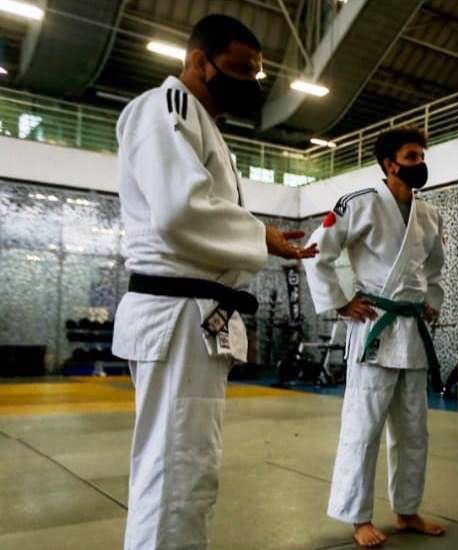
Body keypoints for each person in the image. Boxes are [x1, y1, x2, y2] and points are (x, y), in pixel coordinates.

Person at [111, 14, 316, 550]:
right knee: (175, 472)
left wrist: (259, 237)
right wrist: (260, 236)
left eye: (256, 73)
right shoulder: (166, 108)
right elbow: (179, 212)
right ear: (200, 62)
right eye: (240, 70)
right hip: (177, 314)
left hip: (192, 315)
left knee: (187, 467)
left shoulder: (202, 125)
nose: (251, 82)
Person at [302, 126, 446, 548]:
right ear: (389, 164)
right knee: (363, 428)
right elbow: (317, 252)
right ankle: (358, 516)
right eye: (411, 157)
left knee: (414, 430)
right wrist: (340, 302)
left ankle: (407, 510)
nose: (419, 163)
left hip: (412, 333)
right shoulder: (359, 203)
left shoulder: (429, 214)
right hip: (375, 328)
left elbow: (434, 267)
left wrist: (430, 300)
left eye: (422, 156)